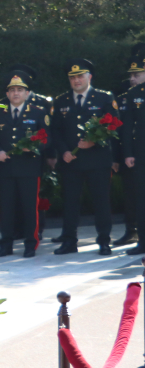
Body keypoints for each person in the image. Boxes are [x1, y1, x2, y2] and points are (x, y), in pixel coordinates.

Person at [51, 59, 118, 256]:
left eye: (80, 76)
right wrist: (63, 151)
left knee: (101, 202)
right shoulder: (61, 101)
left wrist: (94, 142)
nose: (76, 80)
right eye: (72, 77)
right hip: (71, 161)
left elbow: (113, 126)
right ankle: (69, 241)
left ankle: (104, 241)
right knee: (70, 203)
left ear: (89, 77)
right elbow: (55, 131)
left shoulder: (104, 98)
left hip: (98, 160)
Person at [0, 65, 50, 257]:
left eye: (20, 90)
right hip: (5, 168)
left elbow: (47, 139)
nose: (16, 93)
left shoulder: (38, 112)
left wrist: (35, 147)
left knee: (30, 208)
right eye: (12, 90)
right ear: (7, 92)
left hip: (29, 168)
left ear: (27, 93)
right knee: (6, 209)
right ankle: (6, 244)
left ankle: (31, 244)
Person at [118, 50, 145, 255]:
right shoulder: (134, 94)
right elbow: (127, 127)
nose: (133, 78)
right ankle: (143, 243)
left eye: (139, 73)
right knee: (141, 200)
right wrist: (127, 153)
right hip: (141, 154)